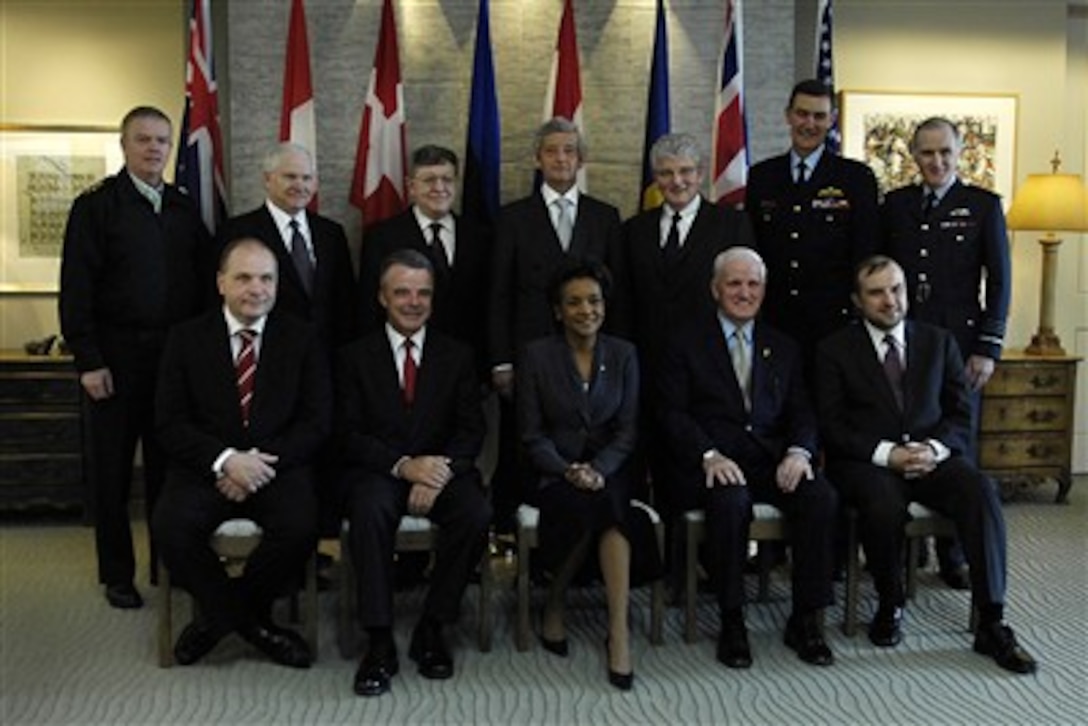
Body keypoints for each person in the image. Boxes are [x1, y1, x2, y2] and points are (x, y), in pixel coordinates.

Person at [815, 255, 1036, 675]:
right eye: (876, 293)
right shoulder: (833, 350)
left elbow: (961, 415)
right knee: (882, 503)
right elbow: (833, 424)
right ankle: (890, 602)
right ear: (857, 301)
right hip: (869, 463)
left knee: (980, 490)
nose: (889, 301)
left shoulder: (939, 341)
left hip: (932, 457)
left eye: (896, 289)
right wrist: (888, 454)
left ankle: (992, 620)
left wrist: (934, 449)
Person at [59, 105, 214, 609]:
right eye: (143, 140)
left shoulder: (184, 208)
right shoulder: (97, 207)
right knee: (113, 473)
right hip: (115, 361)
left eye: (162, 141)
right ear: (123, 145)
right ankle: (117, 573)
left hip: (174, 363)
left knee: (172, 470)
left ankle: (167, 564)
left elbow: (204, 286)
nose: (154, 149)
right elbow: (76, 289)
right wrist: (88, 359)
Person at [152, 238, 330, 668]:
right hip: (206, 467)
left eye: (266, 278)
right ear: (221, 283)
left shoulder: (302, 339)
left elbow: (316, 422)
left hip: (276, 467)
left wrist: (258, 465)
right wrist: (227, 461)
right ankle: (257, 627)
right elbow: (169, 423)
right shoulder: (186, 338)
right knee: (170, 526)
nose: (257, 288)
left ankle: (219, 618)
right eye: (244, 278)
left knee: (303, 524)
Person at [658, 247, 837, 669]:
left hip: (773, 462)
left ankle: (805, 618)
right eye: (735, 283)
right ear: (715, 289)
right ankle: (732, 618)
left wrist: (799, 452)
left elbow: (803, 411)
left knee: (821, 497)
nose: (744, 292)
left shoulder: (784, 346)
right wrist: (708, 454)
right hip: (714, 463)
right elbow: (670, 413)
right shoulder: (684, 343)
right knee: (730, 501)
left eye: (753, 284)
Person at [338, 249, 492, 697]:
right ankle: (380, 639)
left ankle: (433, 626)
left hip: (442, 470)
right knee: (368, 511)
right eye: (402, 292)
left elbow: (471, 429)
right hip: (379, 470)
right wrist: (405, 467)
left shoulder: (457, 355)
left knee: (476, 513)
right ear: (382, 297)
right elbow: (345, 434)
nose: (413, 302)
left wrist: (437, 472)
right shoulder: (353, 356)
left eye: (423, 293)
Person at [880, 117, 1011, 589]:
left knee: (956, 447)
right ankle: (903, 544)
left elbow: (999, 282)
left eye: (944, 153)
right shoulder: (895, 205)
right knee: (903, 435)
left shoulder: (982, 206)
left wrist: (988, 348)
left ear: (960, 155)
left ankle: (953, 552)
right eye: (926, 153)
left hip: (959, 347)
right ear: (913, 156)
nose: (936, 162)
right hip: (905, 343)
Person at [219, 142, 358, 541]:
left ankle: (319, 553)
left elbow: (345, 304)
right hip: (268, 368)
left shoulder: (330, 234)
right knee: (281, 459)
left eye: (306, 178)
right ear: (268, 180)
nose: (299, 185)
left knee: (323, 456)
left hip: (326, 366)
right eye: (289, 177)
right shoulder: (238, 232)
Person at [611, 132, 755, 518]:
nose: (677, 181)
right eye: (666, 173)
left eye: (686, 172)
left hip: (707, 371)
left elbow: (744, 300)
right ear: (655, 178)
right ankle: (652, 557)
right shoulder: (632, 231)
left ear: (702, 173)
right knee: (647, 460)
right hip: (646, 365)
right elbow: (623, 302)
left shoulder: (731, 225)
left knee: (698, 462)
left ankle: (701, 559)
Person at [488, 117, 622, 532]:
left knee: (587, 441)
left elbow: (617, 296)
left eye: (569, 150)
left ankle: (584, 547)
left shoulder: (605, 216)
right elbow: (498, 294)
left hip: (590, 360)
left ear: (581, 158)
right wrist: (500, 361)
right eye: (552, 151)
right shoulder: (512, 218)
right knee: (525, 451)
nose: (561, 158)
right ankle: (521, 547)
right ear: (537, 159)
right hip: (529, 359)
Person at [517, 261, 640, 690]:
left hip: (612, 469)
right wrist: (569, 469)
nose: (586, 309)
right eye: (574, 302)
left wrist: (599, 469)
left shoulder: (624, 354)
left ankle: (619, 631)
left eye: (594, 300)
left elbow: (627, 432)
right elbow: (531, 435)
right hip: (555, 471)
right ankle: (554, 601)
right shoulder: (537, 356)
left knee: (608, 504)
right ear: (558, 311)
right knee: (587, 507)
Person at [746, 79, 879, 366]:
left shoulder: (856, 178)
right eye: (802, 114)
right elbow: (752, 246)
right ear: (788, 115)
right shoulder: (761, 176)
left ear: (832, 120)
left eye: (819, 116)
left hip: (834, 320)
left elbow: (865, 249)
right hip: (775, 317)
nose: (809, 124)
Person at [359, 145, 490, 375]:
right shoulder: (382, 237)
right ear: (411, 186)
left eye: (447, 179)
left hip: (468, 365)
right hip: (403, 364)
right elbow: (370, 307)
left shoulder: (480, 236)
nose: (439, 188)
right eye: (429, 180)